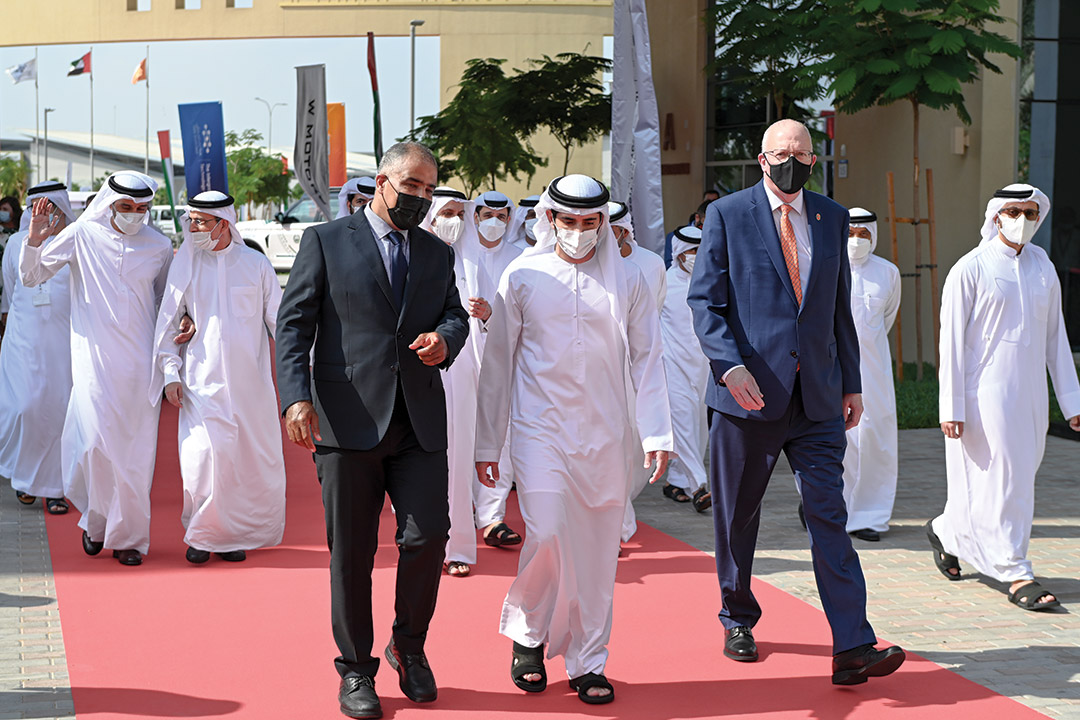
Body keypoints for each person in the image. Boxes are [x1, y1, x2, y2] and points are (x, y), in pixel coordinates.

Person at [688, 119, 904, 685]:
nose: (792, 161)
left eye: (802, 154)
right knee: (737, 517)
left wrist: (851, 383)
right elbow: (705, 303)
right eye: (782, 153)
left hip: (818, 401)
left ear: (815, 161)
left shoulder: (832, 218)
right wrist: (729, 368)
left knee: (829, 515)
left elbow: (839, 311)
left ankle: (853, 645)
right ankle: (737, 617)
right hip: (747, 397)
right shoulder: (728, 215)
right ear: (761, 159)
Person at [276, 141, 469, 719]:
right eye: (412, 186)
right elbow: (293, 326)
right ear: (382, 181)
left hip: (418, 424)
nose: (421, 199)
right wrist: (295, 398)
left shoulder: (436, 253)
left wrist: (447, 339)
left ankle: (409, 648)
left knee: (427, 537)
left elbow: (454, 314)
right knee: (352, 555)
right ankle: (356, 670)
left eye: (430, 190)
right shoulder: (326, 242)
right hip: (346, 425)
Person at [474, 174, 672, 705]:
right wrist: (486, 445)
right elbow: (497, 366)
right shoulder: (523, 274)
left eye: (591, 223)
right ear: (549, 220)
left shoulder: (628, 279)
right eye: (570, 222)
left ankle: (588, 661)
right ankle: (529, 635)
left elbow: (648, 359)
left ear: (604, 223)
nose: (580, 232)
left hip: (607, 435)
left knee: (597, 549)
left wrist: (657, 432)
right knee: (546, 531)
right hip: (540, 432)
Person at [931, 183, 1080, 612]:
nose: (1022, 220)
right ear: (996, 215)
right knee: (1002, 481)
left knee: (1017, 475)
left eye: (1031, 213)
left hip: (1030, 392)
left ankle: (945, 531)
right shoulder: (970, 268)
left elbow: (1056, 337)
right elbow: (951, 344)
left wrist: (1071, 401)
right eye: (1014, 211)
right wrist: (951, 405)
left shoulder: (1042, 266)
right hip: (983, 394)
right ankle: (1015, 571)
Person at [21, 171, 173, 567]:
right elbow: (32, 275)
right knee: (92, 447)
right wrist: (36, 239)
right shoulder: (82, 235)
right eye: (127, 208)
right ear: (109, 203)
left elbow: (165, 302)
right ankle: (95, 520)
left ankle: (130, 539)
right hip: (92, 361)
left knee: (135, 455)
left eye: (143, 209)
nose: (135, 216)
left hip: (141, 365)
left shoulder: (158, 245)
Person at [150, 191, 285, 564]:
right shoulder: (188, 266)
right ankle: (202, 533)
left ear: (223, 223)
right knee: (202, 459)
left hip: (249, 388)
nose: (192, 228)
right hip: (200, 383)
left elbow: (279, 321)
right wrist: (169, 372)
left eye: (200, 222)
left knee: (240, 462)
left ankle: (230, 536)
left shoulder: (255, 265)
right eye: (190, 220)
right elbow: (167, 323)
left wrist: (305, 364)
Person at [0, 182, 76, 513]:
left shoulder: (74, 244)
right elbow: (9, 290)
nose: (42, 215)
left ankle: (57, 488)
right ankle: (25, 477)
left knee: (60, 412)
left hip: (63, 341)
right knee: (26, 408)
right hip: (23, 338)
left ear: (62, 212)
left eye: (49, 209)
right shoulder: (17, 243)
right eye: (36, 208)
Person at [838, 208, 900, 542]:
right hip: (831, 366)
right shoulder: (827, 265)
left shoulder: (888, 273)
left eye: (863, 234)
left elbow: (885, 319)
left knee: (876, 439)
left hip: (874, 371)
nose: (856, 241)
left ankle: (871, 517)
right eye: (850, 233)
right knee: (833, 439)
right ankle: (826, 508)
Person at [468, 191, 525, 550]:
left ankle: (492, 517)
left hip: (503, 360)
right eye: (487, 214)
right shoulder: (456, 254)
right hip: (455, 362)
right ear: (475, 217)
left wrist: (493, 315)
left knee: (499, 434)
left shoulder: (520, 260)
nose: (494, 221)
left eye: (502, 216)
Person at [609, 200, 667, 543]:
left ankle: (621, 505)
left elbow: (654, 311)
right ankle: (615, 521)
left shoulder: (650, 263)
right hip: (603, 370)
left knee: (634, 445)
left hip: (640, 367)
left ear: (625, 230)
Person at [660, 224, 711, 512]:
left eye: (700, 250)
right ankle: (699, 485)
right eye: (691, 250)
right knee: (681, 422)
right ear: (678, 252)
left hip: (703, 367)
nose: (695, 256)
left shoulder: (711, 281)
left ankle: (676, 481)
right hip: (672, 364)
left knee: (698, 426)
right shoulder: (664, 282)